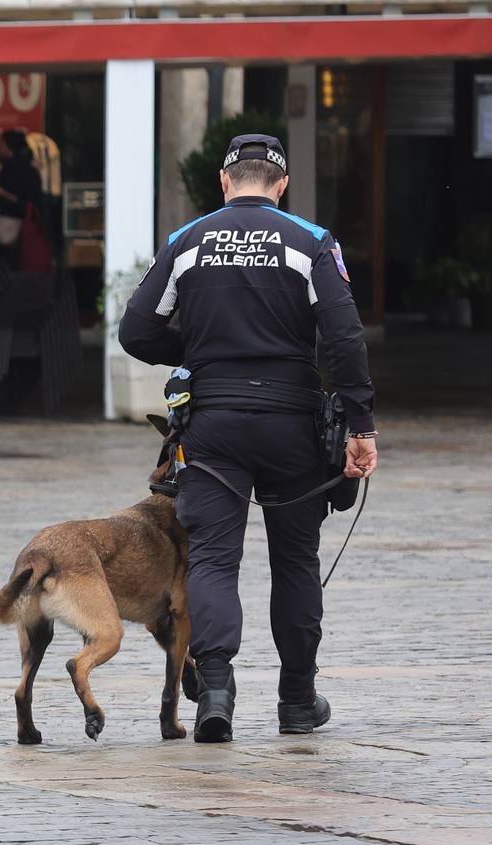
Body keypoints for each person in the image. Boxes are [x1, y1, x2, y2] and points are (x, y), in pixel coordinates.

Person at [119, 133, 376, 743]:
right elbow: (344, 340)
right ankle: (295, 700)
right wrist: (360, 425)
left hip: (214, 424)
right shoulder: (311, 242)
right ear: (281, 185)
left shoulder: (188, 242)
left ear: (225, 181)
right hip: (293, 424)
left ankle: (214, 693)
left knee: (211, 559)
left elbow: (136, 330)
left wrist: (199, 353)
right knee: (295, 561)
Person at [0, 129, 42, 252]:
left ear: (9, 148)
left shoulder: (12, 170)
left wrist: (2, 193)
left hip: (10, 225)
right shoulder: (28, 168)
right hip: (23, 226)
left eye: (0, 144)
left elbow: (26, 202)